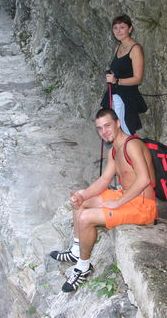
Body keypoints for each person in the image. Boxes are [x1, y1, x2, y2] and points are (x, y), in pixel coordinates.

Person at [49, 108, 157, 292]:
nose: (104, 131)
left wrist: (118, 203)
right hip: (126, 196)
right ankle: (76, 250)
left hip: (143, 206)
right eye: (99, 128)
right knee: (81, 201)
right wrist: (83, 195)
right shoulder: (114, 151)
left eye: (107, 125)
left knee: (86, 218)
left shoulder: (132, 145)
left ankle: (83, 267)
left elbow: (145, 179)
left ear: (117, 123)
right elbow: (104, 180)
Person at [100, 14, 148, 135]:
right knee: (114, 131)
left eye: (122, 27)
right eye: (115, 27)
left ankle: (130, 153)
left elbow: (138, 79)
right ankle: (119, 153)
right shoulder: (118, 47)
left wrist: (117, 81)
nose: (118, 30)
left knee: (125, 130)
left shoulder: (135, 49)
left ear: (130, 29)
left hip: (127, 97)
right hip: (114, 94)